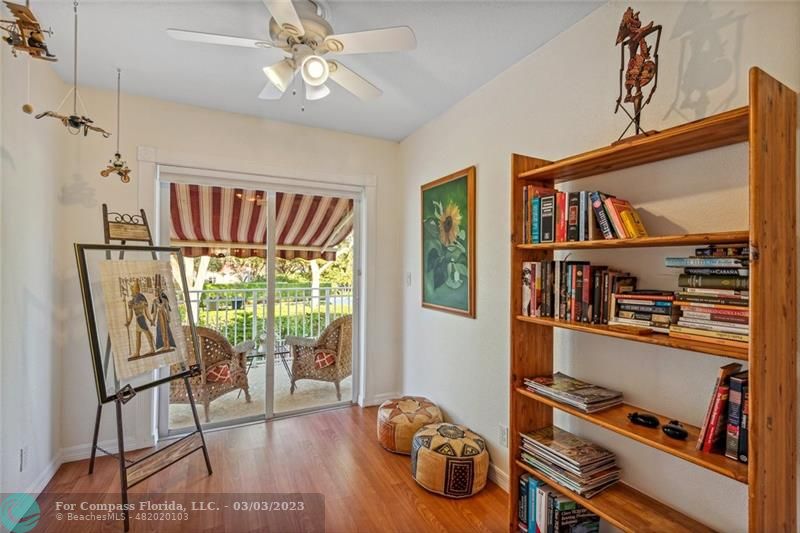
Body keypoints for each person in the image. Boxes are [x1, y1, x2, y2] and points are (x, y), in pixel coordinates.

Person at [125, 279, 155, 358]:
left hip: (141, 318)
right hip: (138, 320)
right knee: (138, 335)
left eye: (133, 288)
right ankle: (137, 352)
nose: (132, 290)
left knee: (147, 332)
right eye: (132, 289)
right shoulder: (131, 301)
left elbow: (146, 310)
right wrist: (128, 322)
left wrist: (150, 319)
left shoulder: (141, 298)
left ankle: (152, 348)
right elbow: (131, 315)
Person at [150, 276, 176, 352]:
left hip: (164, 315)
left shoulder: (164, 300)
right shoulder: (155, 301)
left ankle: (167, 345)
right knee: (161, 330)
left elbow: (167, 310)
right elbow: (154, 312)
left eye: (157, 291)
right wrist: (153, 320)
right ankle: (164, 345)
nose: (156, 293)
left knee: (166, 329)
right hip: (159, 316)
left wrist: (169, 317)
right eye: (155, 291)